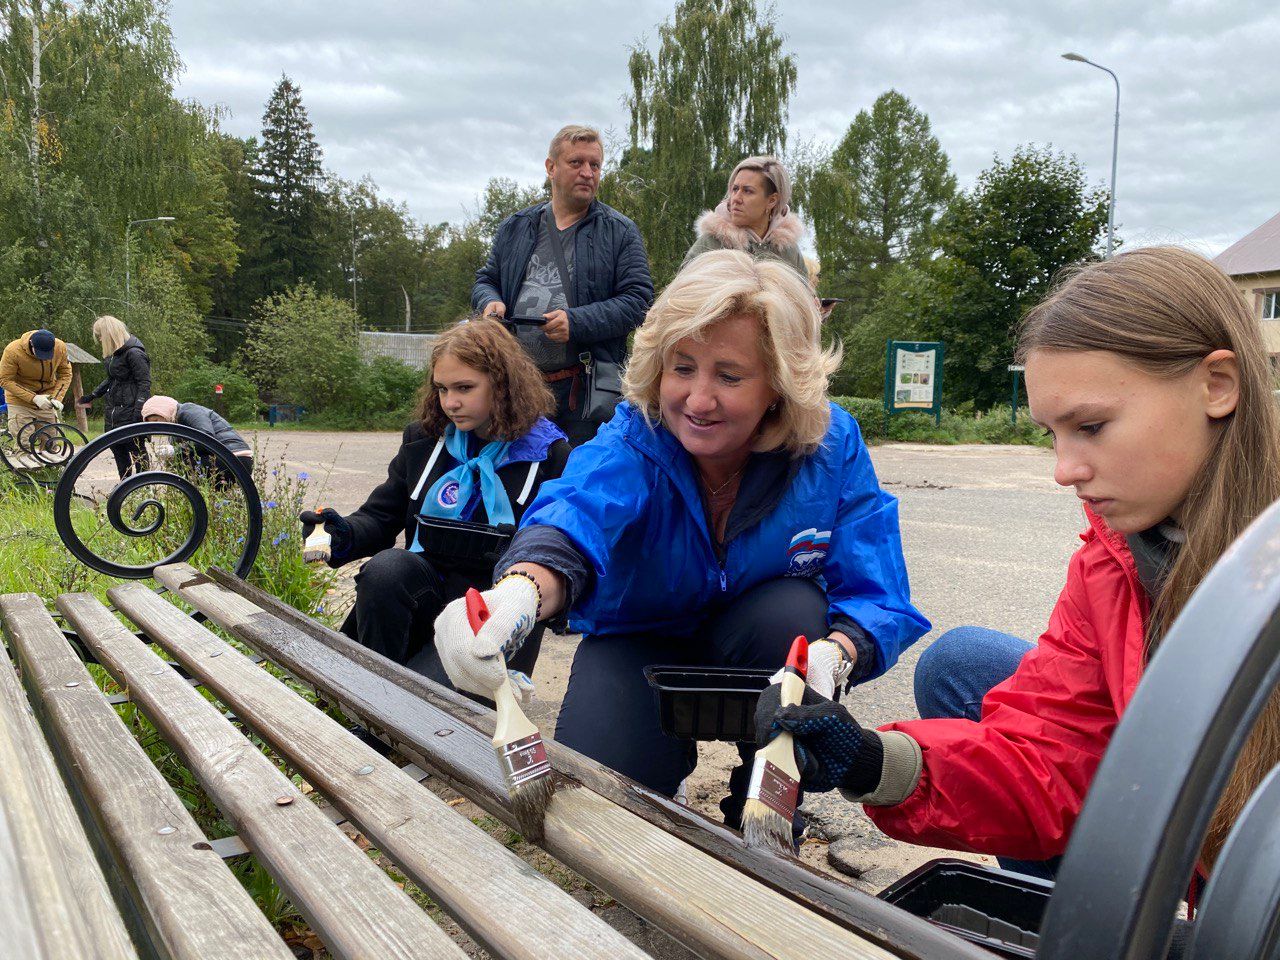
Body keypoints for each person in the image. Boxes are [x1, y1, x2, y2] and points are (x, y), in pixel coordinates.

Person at [753, 246, 1280, 882]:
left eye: (1091, 425)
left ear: (1216, 386)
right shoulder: (1114, 557)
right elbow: (1053, 752)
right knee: (962, 664)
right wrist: (872, 762)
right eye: (1051, 434)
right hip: (1215, 860)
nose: (1065, 470)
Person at [436, 250, 928, 828]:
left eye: (729, 375)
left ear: (779, 383)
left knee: (795, 610)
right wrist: (518, 593)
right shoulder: (636, 433)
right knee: (602, 805)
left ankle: (765, 803)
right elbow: (577, 509)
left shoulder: (828, 444)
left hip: (762, 649)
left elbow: (877, 590)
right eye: (683, 367)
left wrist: (837, 656)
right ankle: (656, 785)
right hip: (642, 640)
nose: (696, 401)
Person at [299, 318, 571, 686]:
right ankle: (371, 696)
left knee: (432, 710)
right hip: (424, 594)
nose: (451, 403)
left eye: (464, 387)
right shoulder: (425, 441)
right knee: (387, 568)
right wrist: (340, 533)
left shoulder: (550, 456)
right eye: (442, 389)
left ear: (504, 386)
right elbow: (381, 516)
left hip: (491, 611)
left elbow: (556, 553)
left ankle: (396, 707)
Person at [472, 124, 654, 446]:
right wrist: (490, 302)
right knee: (519, 480)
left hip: (581, 391)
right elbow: (486, 280)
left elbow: (638, 302)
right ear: (551, 167)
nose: (588, 173)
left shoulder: (620, 232)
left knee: (572, 480)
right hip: (517, 386)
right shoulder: (516, 227)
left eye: (594, 165)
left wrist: (576, 322)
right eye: (576, 163)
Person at [680, 156, 809, 281]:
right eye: (735, 189)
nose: (736, 198)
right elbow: (680, 296)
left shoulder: (788, 251)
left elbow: (805, 297)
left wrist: (814, 302)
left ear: (772, 201)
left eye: (748, 191)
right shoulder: (711, 244)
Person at [78, 315, 151, 478]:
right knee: (117, 447)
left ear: (109, 333)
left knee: (136, 449)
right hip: (114, 410)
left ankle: (144, 484)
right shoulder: (115, 355)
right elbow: (112, 378)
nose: (99, 339)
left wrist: (138, 412)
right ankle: (125, 484)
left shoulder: (135, 353)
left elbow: (144, 384)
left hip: (131, 409)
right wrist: (93, 395)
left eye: (100, 335)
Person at [140, 395, 254, 480]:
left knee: (182, 470)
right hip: (225, 457)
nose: (156, 425)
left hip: (234, 458)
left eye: (156, 420)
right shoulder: (175, 425)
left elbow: (206, 438)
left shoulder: (188, 410)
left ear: (163, 411)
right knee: (178, 467)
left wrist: (174, 451)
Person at [0, 329, 72, 452]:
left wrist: (57, 398)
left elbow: (65, 374)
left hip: (47, 399)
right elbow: (5, 380)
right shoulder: (13, 351)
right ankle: (24, 470)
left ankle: (51, 470)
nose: (44, 358)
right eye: (40, 353)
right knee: (24, 443)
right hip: (19, 400)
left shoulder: (60, 347)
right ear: (31, 343)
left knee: (51, 441)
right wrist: (33, 398)